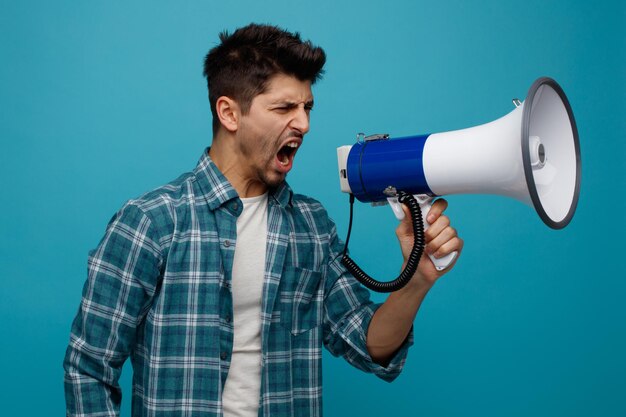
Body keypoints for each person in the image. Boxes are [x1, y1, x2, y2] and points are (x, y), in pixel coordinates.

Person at [64, 23, 463, 417]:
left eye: (307, 107)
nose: (304, 124)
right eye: (285, 107)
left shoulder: (311, 224)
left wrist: (417, 278)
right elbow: (89, 369)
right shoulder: (150, 223)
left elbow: (367, 342)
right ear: (229, 113)